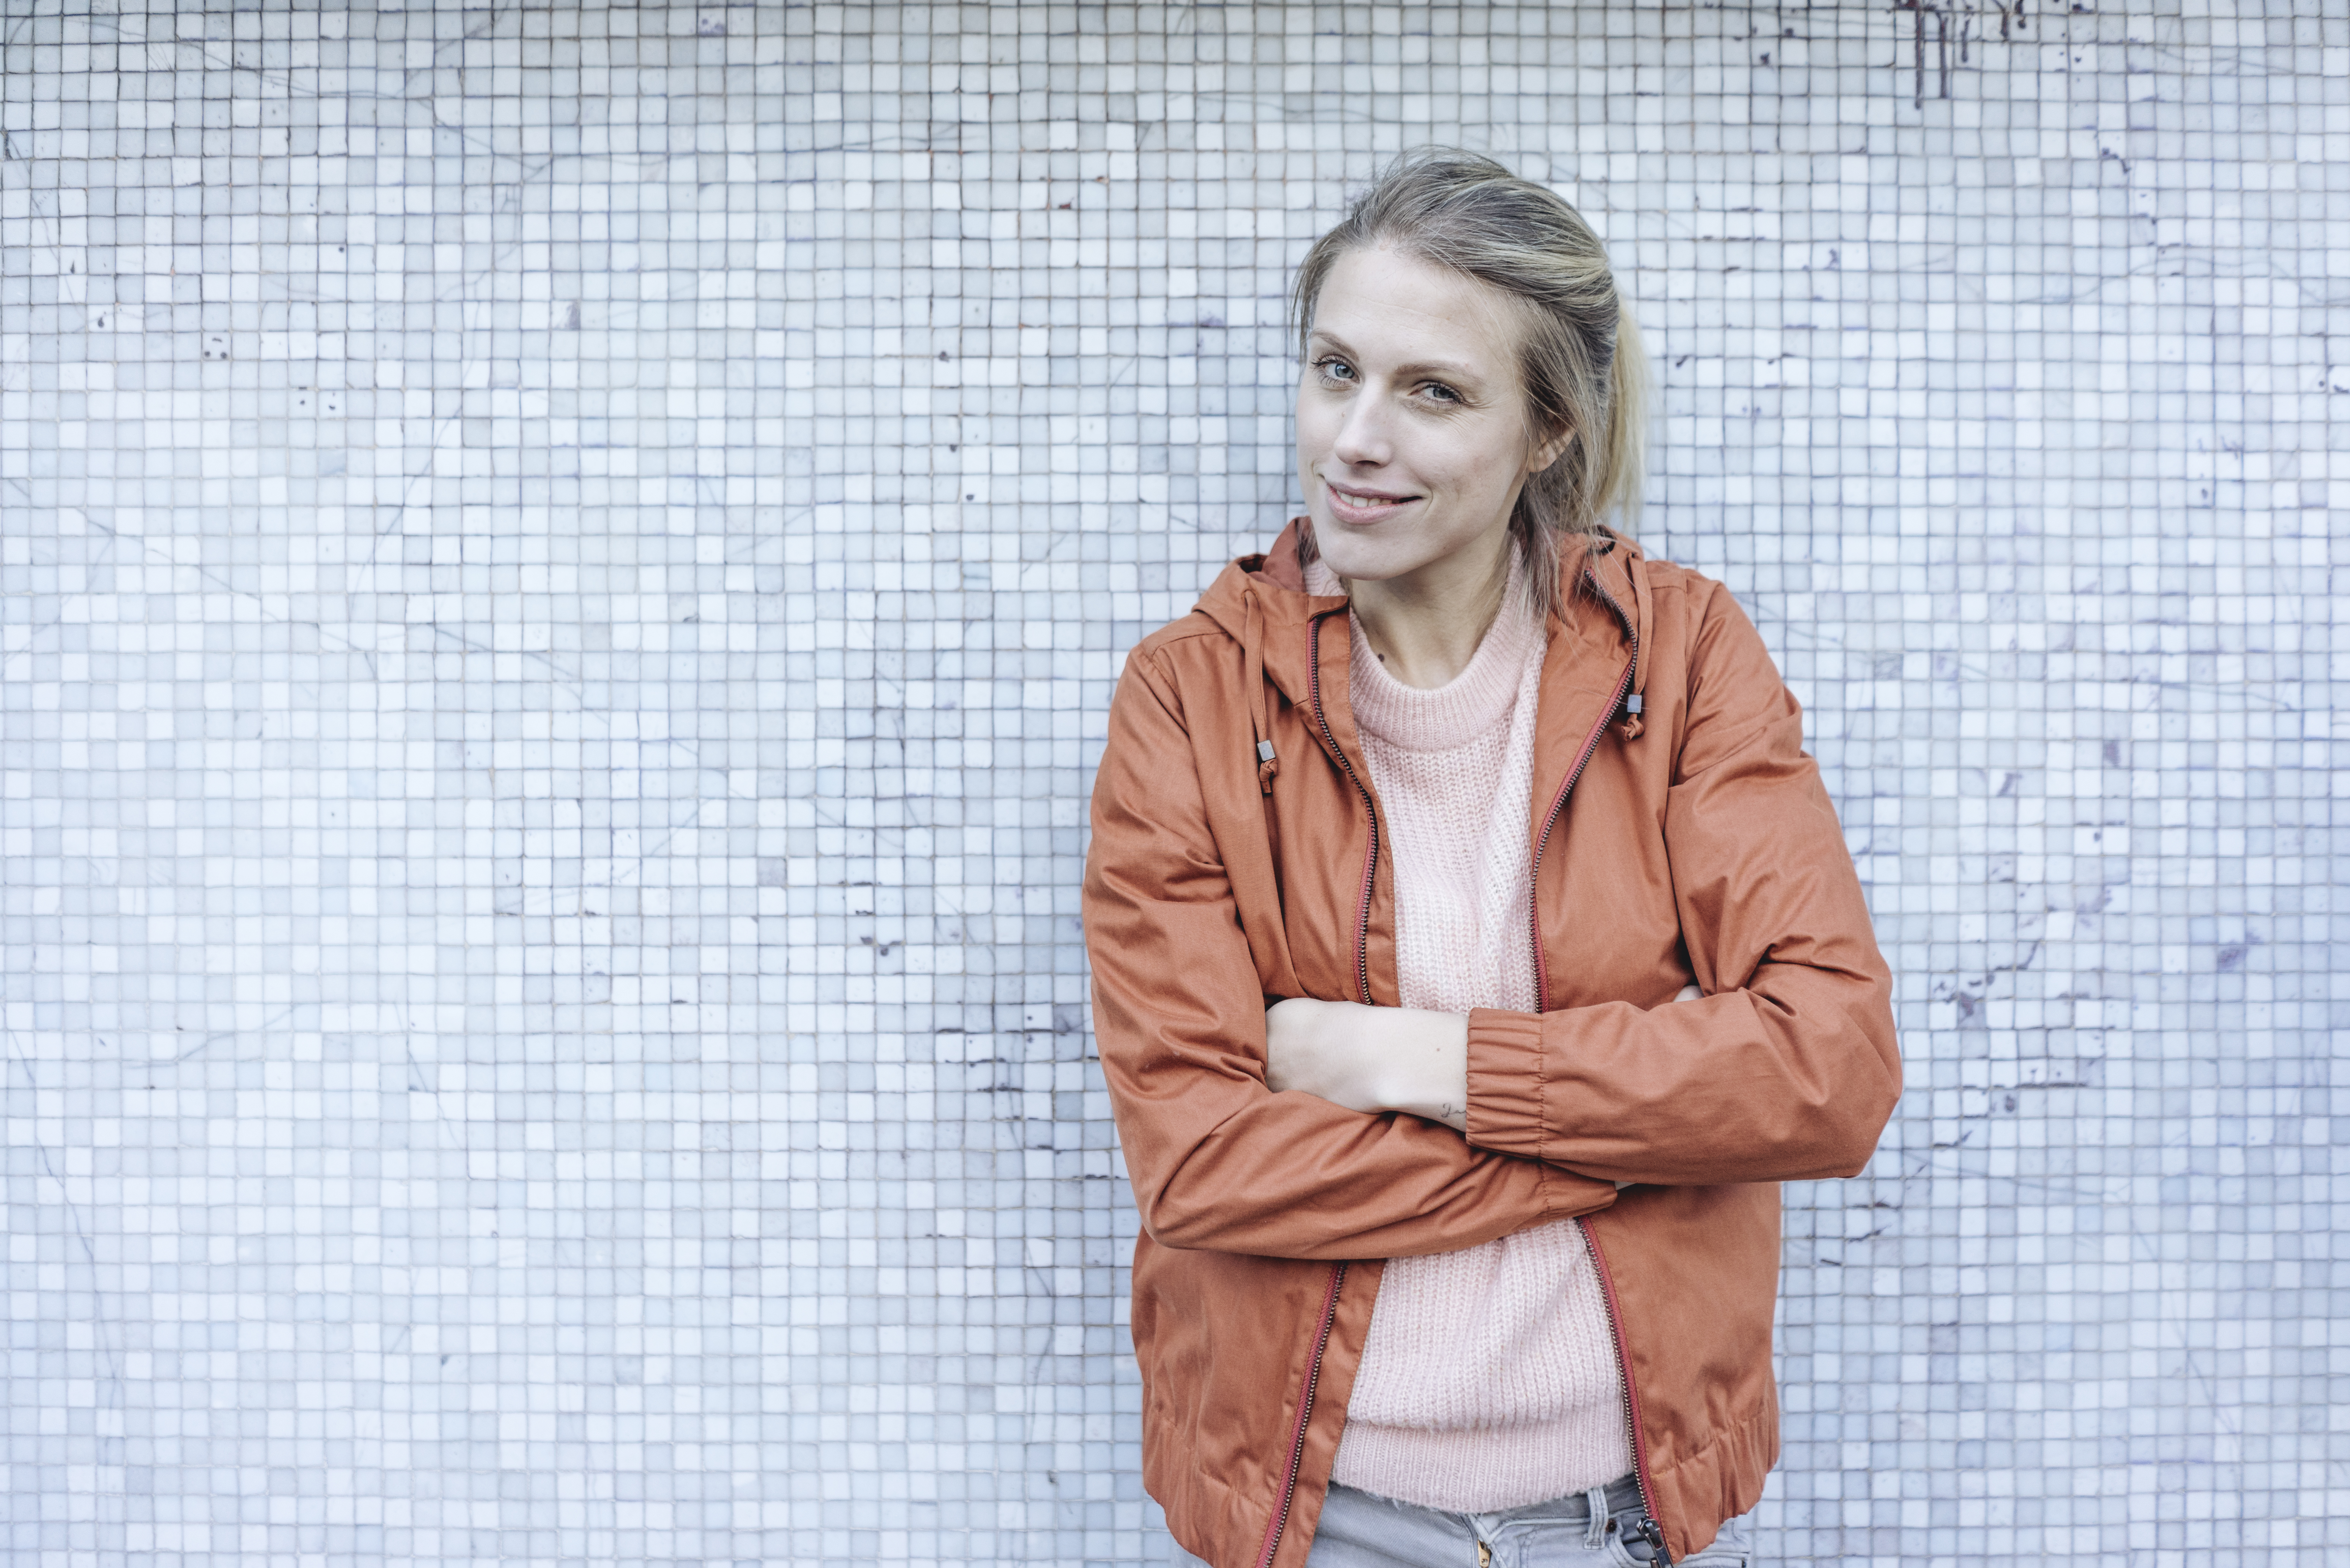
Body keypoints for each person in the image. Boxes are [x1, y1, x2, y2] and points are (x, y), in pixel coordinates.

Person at [1082, 150, 1900, 1568]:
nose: (1354, 437)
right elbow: (1204, 1161)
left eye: (1433, 392)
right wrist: (1640, 1143)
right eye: (1334, 369)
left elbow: (1825, 1065)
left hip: (1619, 1515)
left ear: (1544, 432)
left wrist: (1417, 1063)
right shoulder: (1190, 698)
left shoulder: (1683, 658)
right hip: (1317, 1515)